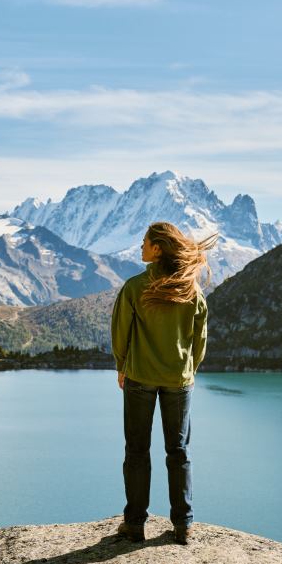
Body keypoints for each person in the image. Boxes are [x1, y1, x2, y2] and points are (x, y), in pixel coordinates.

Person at [110, 221, 217, 545]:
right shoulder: (191, 289)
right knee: (179, 451)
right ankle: (183, 525)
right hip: (179, 380)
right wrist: (188, 369)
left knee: (137, 451)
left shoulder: (134, 287)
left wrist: (121, 366)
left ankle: (135, 524)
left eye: (144, 242)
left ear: (157, 248)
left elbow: (120, 334)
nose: (140, 247)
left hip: (140, 377)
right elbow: (200, 340)